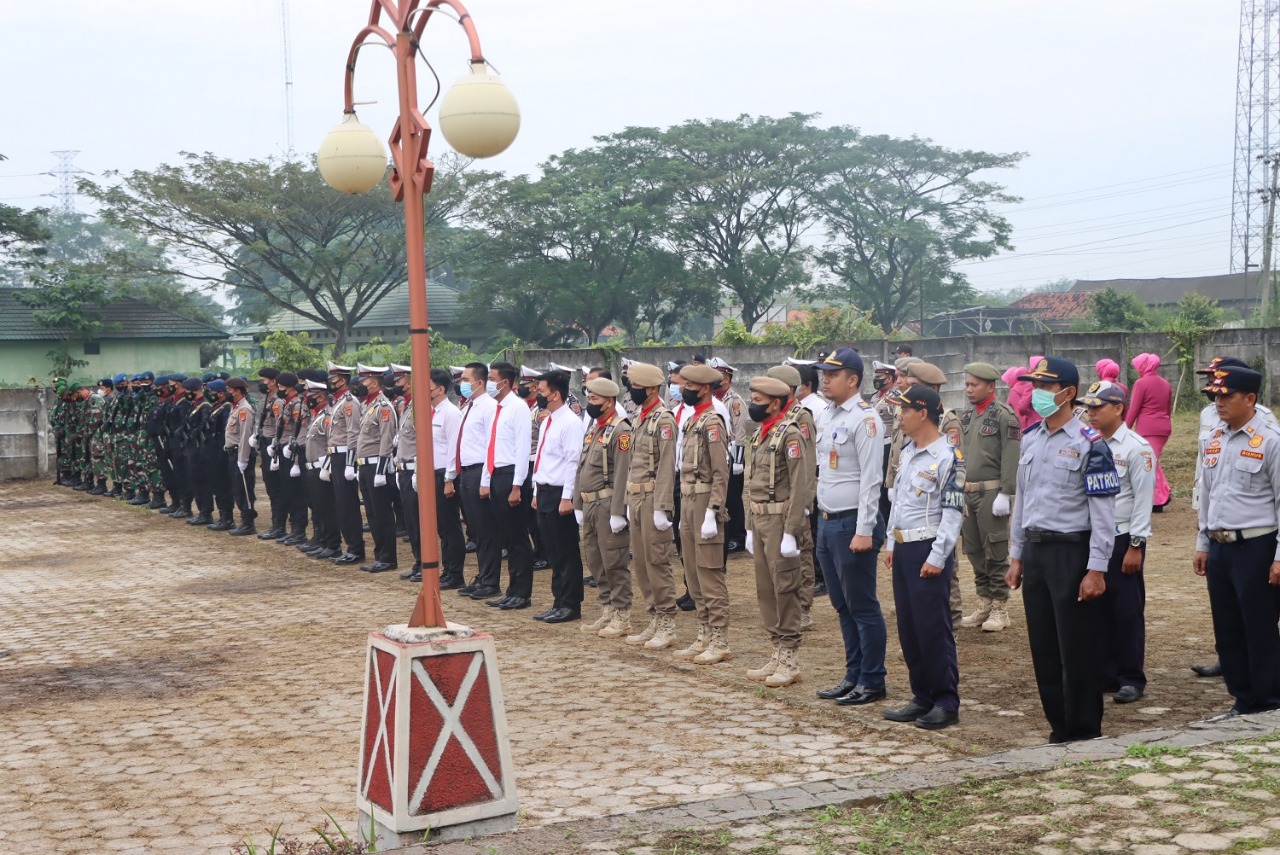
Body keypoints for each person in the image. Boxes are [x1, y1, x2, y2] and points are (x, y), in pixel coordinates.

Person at [1007, 356, 1119, 743]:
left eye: (1046, 387)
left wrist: (1097, 568)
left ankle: (1085, 728)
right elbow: (1023, 499)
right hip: (1036, 552)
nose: (1036, 393)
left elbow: (1104, 512)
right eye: (1034, 385)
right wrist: (1017, 554)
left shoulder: (1091, 444)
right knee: (1044, 646)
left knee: (1077, 646)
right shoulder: (1032, 437)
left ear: (1069, 393)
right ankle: (1060, 725)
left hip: (1072, 554)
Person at [1194, 364, 1280, 720]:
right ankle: (1243, 700)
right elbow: (1208, 494)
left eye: (1226, 395)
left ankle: (1269, 701)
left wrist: (1279, 557)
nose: (1219, 401)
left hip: (1256, 548)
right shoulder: (1214, 439)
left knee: (1257, 626)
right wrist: (1203, 543)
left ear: (1250, 398)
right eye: (1215, 395)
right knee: (1227, 627)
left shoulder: (1271, 441)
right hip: (1221, 547)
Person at [882, 385, 964, 729]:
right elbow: (898, 502)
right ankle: (922, 695)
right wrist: (890, 542)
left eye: (904, 410)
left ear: (923, 413)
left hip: (928, 549)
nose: (899, 416)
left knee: (933, 628)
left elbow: (953, 512)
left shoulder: (948, 456)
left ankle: (946, 700)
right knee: (910, 628)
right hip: (904, 547)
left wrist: (938, 555)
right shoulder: (910, 450)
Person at [812, 348, 887, 707]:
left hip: (852, 523)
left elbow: (872, 481)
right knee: (842, 605)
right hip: (828, 521)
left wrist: (864, 529)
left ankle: (872, 679)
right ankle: (853, 675)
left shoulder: (865, 419)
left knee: (863, 606)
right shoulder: (827, 414)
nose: (824, 379)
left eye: (832, 374)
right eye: (823, 373)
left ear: (853, 379)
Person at [1077, 381, 1154, 704]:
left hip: (1123, 538)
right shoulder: (1085, 443)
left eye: (1099, 407)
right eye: (1089, 407)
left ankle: (1130, 677)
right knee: (1097, 609)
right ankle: (1105, 672)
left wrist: (1136, 545)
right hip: (1092, 536)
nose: (1091, 413)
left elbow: (1142, 500)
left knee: (1126, 610)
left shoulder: (1137, 447)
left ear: (1119, 408)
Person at [742, 375, 810, 687]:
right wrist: (747, 526)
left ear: (775, 403)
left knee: (786, 589)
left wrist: (792, 530)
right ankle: (776, 650)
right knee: (766, 590)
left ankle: (790, 658)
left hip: (781, 519)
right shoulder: (759, 435)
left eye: (758, 402)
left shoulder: (790, 435)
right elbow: (749, 482)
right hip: (759, 519)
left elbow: (799, 485)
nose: (753, 407)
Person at [674, 363, 733, 664]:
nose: (684, 389)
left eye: (689, 385)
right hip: (686, 498)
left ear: (705, 388)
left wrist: (714, 509)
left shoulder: (713, 422)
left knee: (710, 571)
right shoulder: (692, 420)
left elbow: (721, 472)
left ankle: (719, 638)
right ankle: (704, 631)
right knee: (693, 571)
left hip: (704, 499)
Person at [621, 362, 681, 649]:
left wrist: (662, 506)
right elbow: (632, 463)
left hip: (652, 498)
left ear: (652, 389)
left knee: (657, 561)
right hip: (635, 497)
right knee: (642, 563)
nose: (631, 390)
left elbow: (667, 466)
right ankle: (654, 617)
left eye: (636, 386)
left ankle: (667, 622)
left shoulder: (663, 420)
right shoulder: (639, 417)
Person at [958, 362, 1021, 633]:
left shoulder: (1005, 417)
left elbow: (1010, 457)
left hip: (992, 491)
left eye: (974, 385)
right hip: (968, 491)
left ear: (991, 386)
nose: (968, 389)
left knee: (994, 549)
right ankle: (984, 601)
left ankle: (1000, 607)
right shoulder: (967, 417)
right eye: (967, 384)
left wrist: (1005, 492)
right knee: (973, 549)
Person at [573, 376, 634, 637]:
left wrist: (619, 511)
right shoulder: (595, 428)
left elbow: (623, 472)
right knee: (596, 560)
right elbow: (582, 467)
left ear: (609, 402)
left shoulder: (621, 430)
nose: (591, 403)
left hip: (608, 503)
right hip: (589, 503)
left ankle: (622, 615)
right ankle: (607, 608)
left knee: (614, 561)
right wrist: (577, 502)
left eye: (595, 399)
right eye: (589, 398)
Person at [531, 369, 587, 623]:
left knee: (566, 551)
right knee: (553, 551)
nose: (537, 395)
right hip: (543, 491)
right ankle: (558, 601)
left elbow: (572, 463)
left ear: (555, 394)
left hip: (559, 494)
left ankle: (571, 604)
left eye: (541, 391)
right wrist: (535, 491)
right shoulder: (548, 421)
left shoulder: (570, 423)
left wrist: (567, 498)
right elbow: (542, 460)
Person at [766, 364, 819, 631]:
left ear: (786, 390)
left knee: (802, 553)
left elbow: (807, 464)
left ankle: (804, 607)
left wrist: (806, 503)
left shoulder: (801, 417)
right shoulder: (774, 417)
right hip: (777, 499)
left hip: (797, 498)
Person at [482, 362, 536, 606]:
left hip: (512, 475)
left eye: (492, 378)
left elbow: (522, 449)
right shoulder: (498, 408)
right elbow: (491, 447)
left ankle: (521, 593)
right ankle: (512, 590)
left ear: (504, 382)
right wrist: (487, 479)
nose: (488, 382)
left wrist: (516, 486)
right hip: (497, 474)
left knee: (517, 538)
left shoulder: (518, 408)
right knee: (506, 536)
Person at [455, 362, 501, 598]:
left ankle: (491, 581)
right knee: (475, 529)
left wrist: (485, 480)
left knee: (486, 530)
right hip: (466, 472)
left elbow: (489, 447)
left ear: (479, 382)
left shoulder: (489, 407)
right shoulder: (469, 406)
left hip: (480, 471)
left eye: (465, 379)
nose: (461, 383)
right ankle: (483, 576)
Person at [354, 364, 399, 573]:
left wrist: (381, 470)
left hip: (376, 467)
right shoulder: (367, 405)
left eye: (363, 381)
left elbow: (386, 439)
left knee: (382, 513)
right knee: (371, 514)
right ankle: (379, 554)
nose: (360, 385)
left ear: (373, 382)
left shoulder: (383, 407)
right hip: (365, 466)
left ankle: (388, 557)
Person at [326, 362, 366, 566]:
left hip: (345, 457)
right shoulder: (338, 401)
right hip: (336, 455)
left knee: (348, 504)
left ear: (342, 380)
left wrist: (351, 463)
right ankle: (349, 544)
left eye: (332, 379)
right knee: (341, 504)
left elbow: (353, 433)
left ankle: (356, 548)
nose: (329, 383)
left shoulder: (350, 402)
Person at [709, 357, 748, 554]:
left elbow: (740, 432)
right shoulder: (713, 399)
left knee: (733, 497)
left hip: (733, 454)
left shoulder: (734, 402)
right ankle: (726, 531)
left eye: (718, 375)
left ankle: (738, 536)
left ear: (727, 378)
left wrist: (738, 460)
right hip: (719, 453)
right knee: (721, 494)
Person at [1127, 353, 1173, 511]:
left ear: (1143, 366)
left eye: (1137, 366)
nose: (1136, 369)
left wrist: (1124, 429)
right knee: (1153, 461)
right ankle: (1162, 494)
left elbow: (1134, 409)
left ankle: (1160, 499)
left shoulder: (1141, 383)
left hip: (1147, 429)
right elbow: (1168, 409)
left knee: (1149, 463)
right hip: (1163, 428)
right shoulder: (1166, 384)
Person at [223, 377, 258, 535]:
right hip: (232, 452)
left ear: (237, 391)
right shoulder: (235, 407)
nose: (227, 393)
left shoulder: (244, 409)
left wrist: (243, 459)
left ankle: (248, 523)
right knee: (237, 489)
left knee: (244, 488)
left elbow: (245, 436)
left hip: (240, 454)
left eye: (229, 390)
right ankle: (244, 519)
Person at [253, 367, 285, 539]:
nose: (261, 384)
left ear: (273, 382)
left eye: (264, 381)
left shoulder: (278, 401)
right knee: (270, 487)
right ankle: (276, 525)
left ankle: (279, 526)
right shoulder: (268, 398)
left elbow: (280, 426)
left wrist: (274, 446)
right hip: (265, 443)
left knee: (276, 488)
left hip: (273, 445)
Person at [1005, 356, 1044, 431]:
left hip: (1033, 425)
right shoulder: (1052, 386)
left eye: (1031, 368)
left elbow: (1021, 408)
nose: (1029, 370)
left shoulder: (1030, 387)